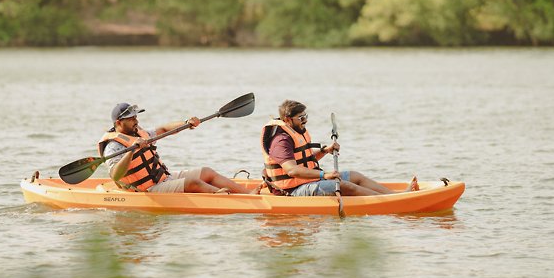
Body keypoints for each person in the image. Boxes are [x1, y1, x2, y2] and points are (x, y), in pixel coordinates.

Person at [261, 100, 420, 196]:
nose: (305, 121)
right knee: (343, 185)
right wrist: (325, 175)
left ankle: (394, 196)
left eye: (306, 116)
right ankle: (391, 202)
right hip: (292, 191)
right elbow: (292, 171)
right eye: (301, 118)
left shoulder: (294, 131)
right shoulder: (280, 140)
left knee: (354, 176)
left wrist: (324, 151)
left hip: (304, 181)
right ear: (288, 120)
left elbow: (305, 161)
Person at [100, 102, 256, 194]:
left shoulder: (138, 132)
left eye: (136, 117)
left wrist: (186, 123)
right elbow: (115, 175)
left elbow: (162, 130)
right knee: (192, 182)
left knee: (207, 172)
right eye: (131, 118)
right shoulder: (113, 146)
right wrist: (132, 151)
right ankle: (222, 197)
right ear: (119, 123)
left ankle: (249, 194)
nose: (136, 120)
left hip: (162, 178)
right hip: (146, 190)